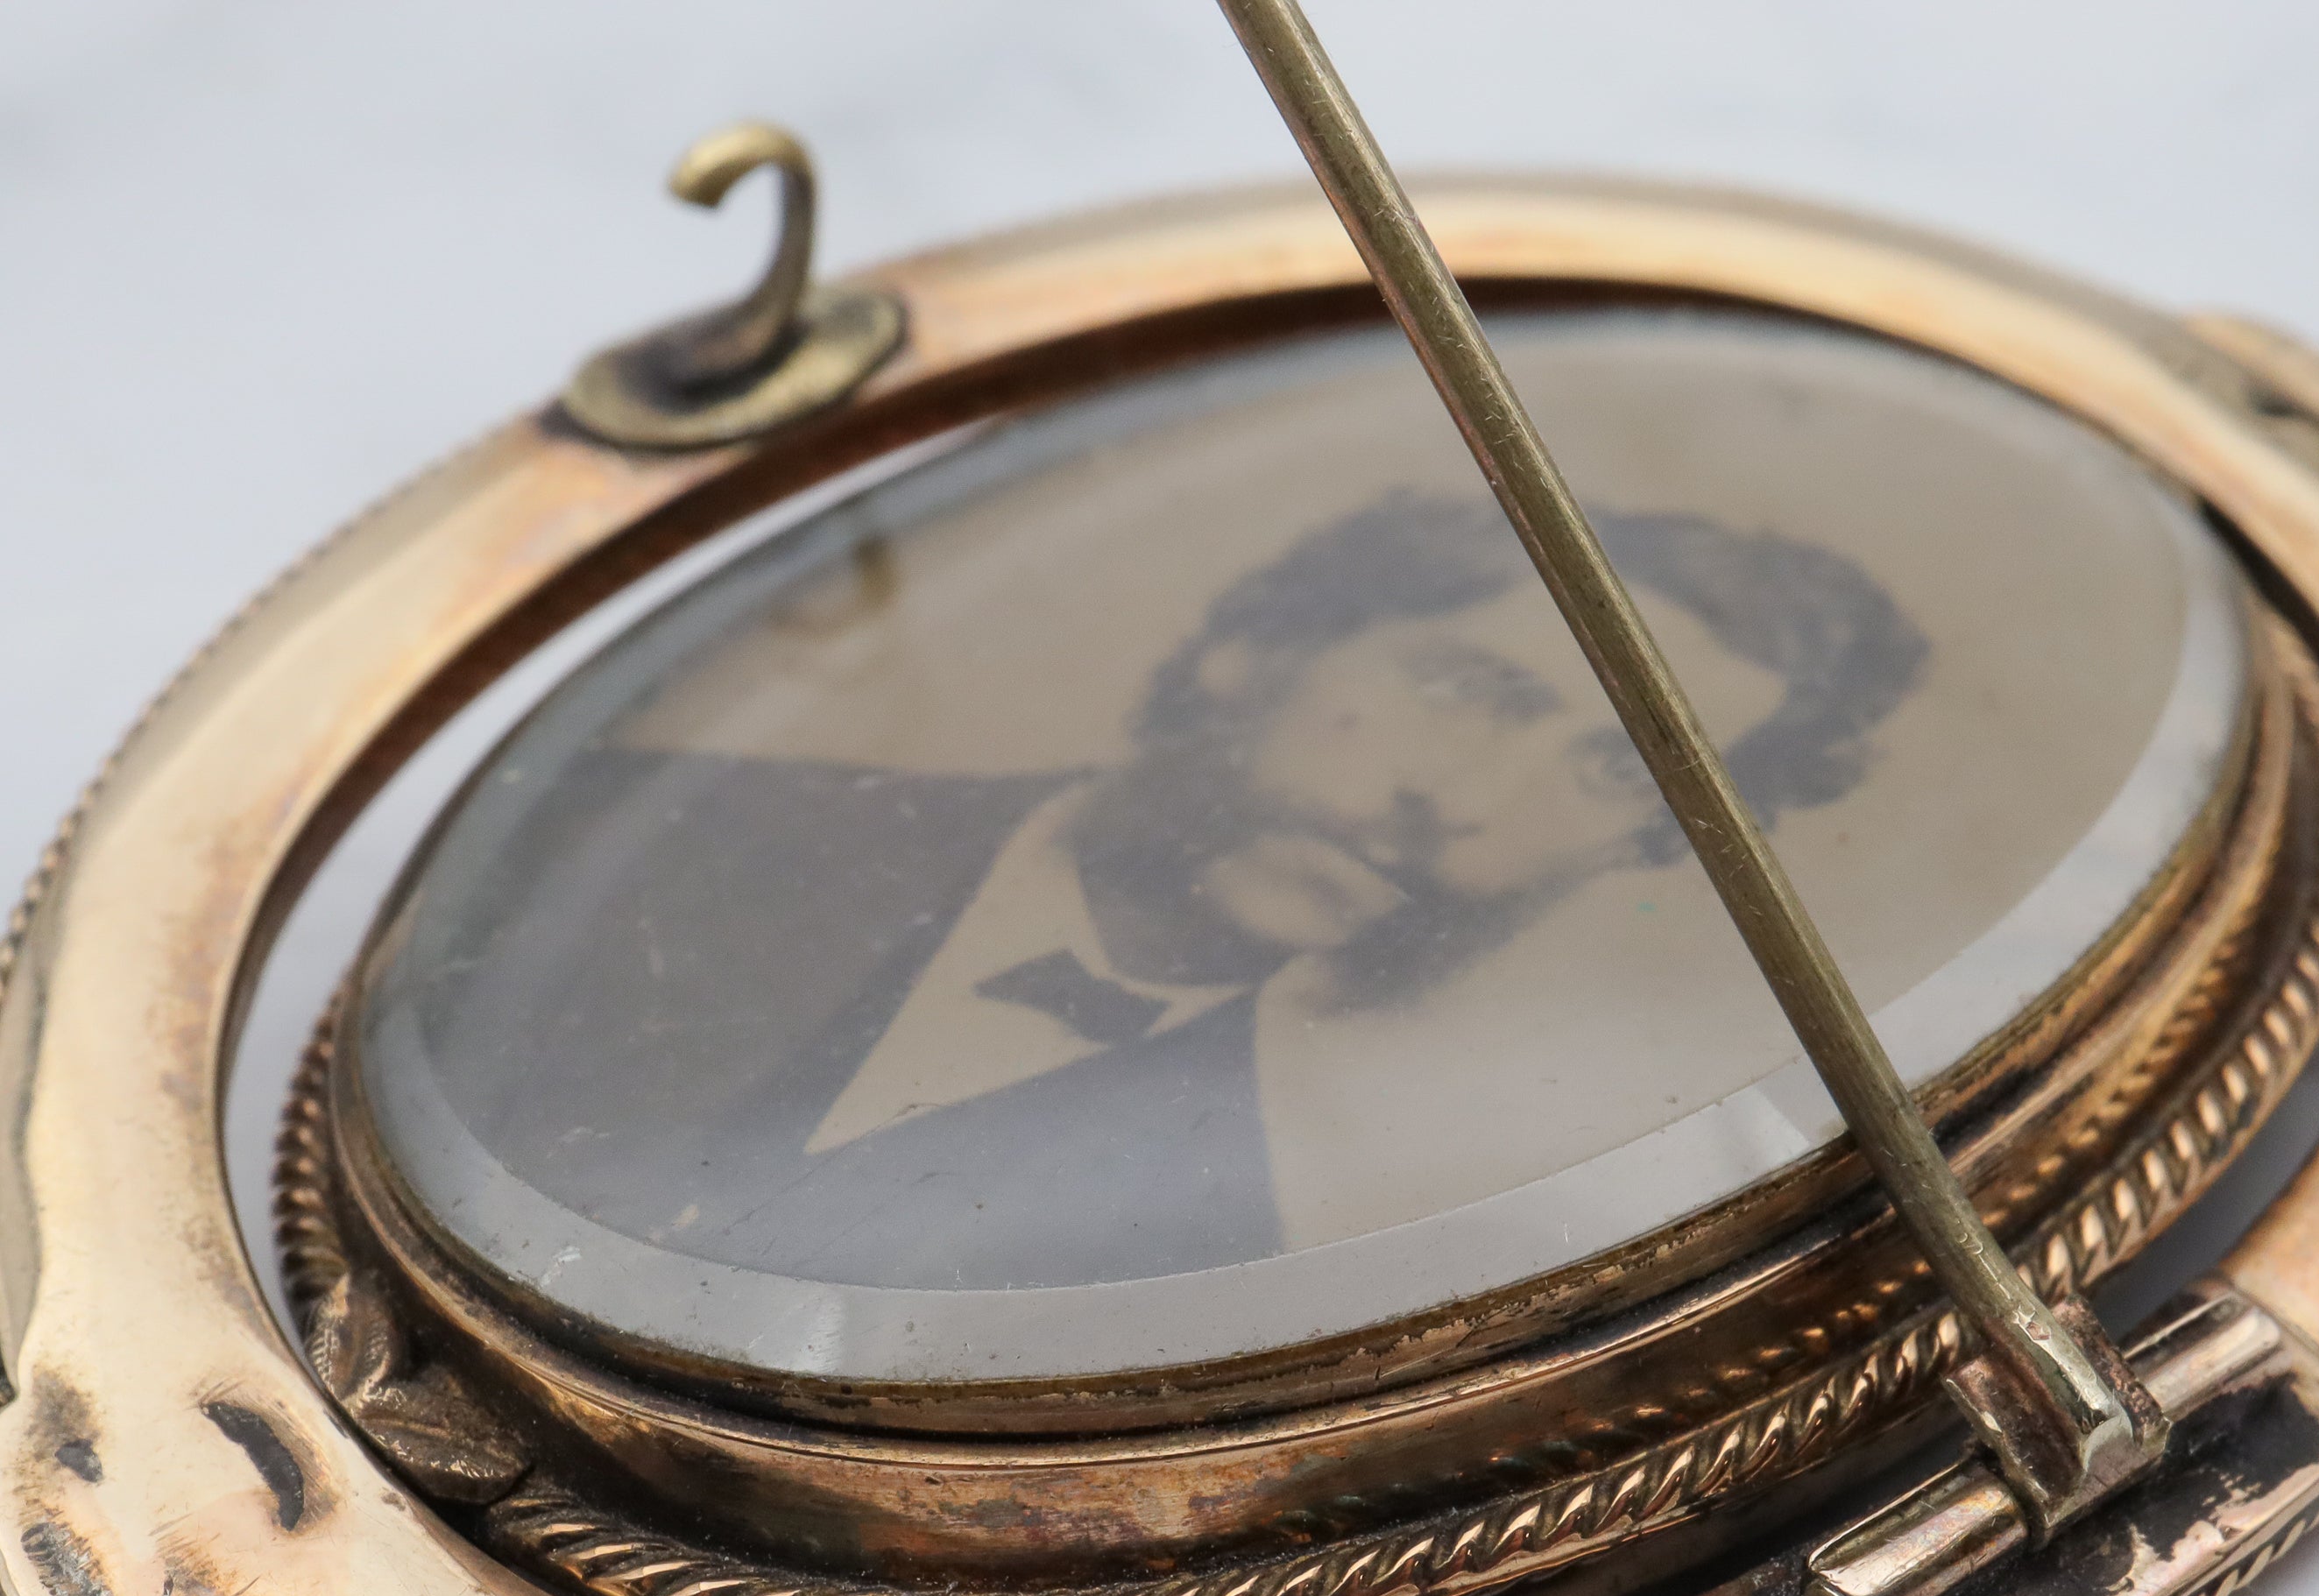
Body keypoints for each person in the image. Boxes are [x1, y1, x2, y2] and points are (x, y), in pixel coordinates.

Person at [414, 489, 1928, 1293]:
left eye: (1613, 774)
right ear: (1253, 652)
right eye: (1462, 689)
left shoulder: (1329, 1248)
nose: (1465, 804)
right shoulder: (664, 836)